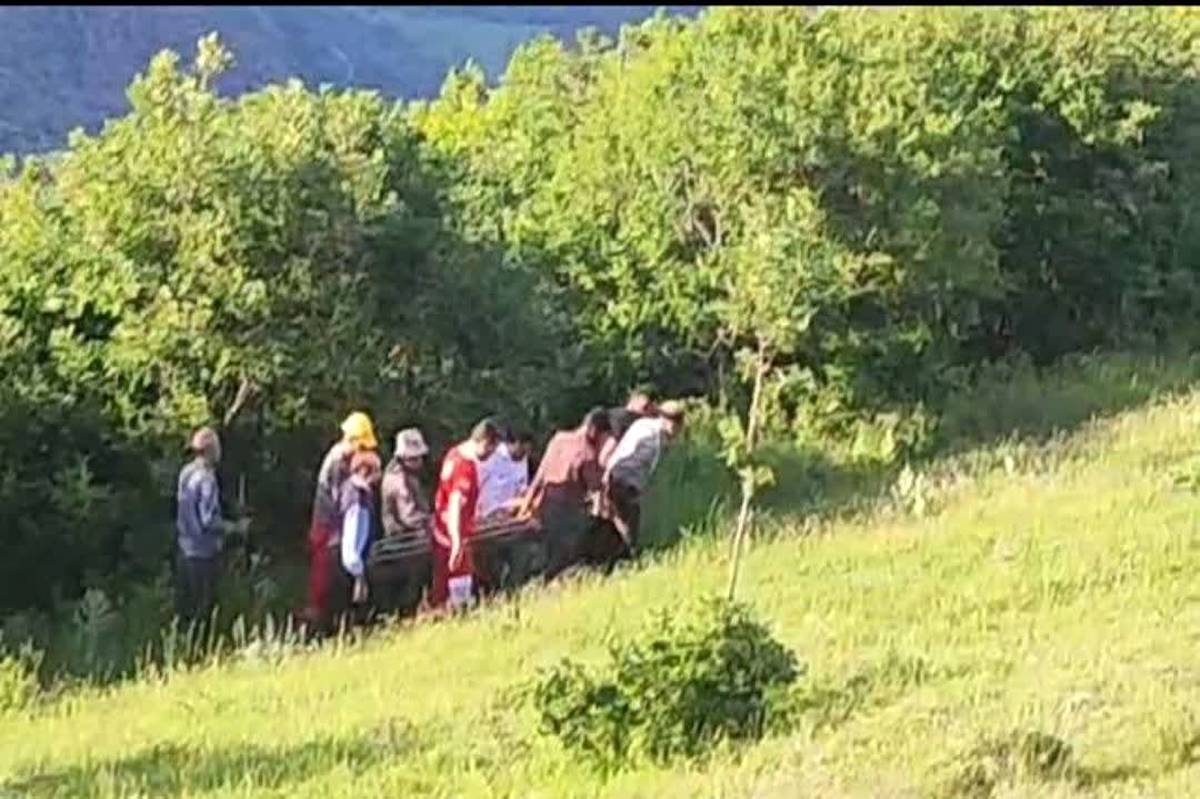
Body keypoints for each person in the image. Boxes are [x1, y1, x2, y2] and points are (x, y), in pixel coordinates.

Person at [303, 411, 378, 627]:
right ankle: (316, 621)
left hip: (332, 525)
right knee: (323, 580)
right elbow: (343, 499)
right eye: (362, 446)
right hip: (326, 526)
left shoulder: (342, 458)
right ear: (353, 441)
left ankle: (327, 619)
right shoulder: (337, 462)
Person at [517, 408, 612, 580]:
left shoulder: (559, 439)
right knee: (566, 558)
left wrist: (526, 506)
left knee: (548, 552)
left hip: (545, 506)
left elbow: (540, 475)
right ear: (594, 431)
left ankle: (542, 580)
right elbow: (596, 486)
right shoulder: (587, 454)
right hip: (569, 512)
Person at [175, 427, 250, 631]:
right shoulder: (207, 478)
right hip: (203, 554)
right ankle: (204, 646)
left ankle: (184, 645)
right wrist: (236, 528)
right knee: (204, 612)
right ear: (210, 450)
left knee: (186, 611)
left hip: (184, 550)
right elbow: (208, 521)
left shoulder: (186, 473)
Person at [600, 400, 686, 563]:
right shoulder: (648, 433)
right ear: (666, 420)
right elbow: (623, 455)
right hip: (621, 482)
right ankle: (626, 561)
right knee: (628, 526)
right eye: (675, 423)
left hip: (627, 484)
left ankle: (623, 559)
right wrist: (608, 476)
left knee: (627, 525)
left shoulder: (652, 431)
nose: (677, 430)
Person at [429, 418, 501, 611]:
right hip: (454, 536)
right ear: (484, 442)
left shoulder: (454, 453)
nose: (491, 455)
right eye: (491, 449)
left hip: (440, 531)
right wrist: (457, 542)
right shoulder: (465, 469)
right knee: (459, 595)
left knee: (441, 589)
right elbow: (456, 505)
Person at [371, 428, 434, 615]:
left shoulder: (402, 474)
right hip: (404, 544)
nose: (420, 462)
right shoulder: (399, 482)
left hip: (406, 542)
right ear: (404, 458)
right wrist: (433, 522)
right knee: (413, 587)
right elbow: (410, 516)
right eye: (415, 458)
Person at [326, 450, 383, 634]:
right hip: (350, 571)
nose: (379, 477)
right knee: (351, 620)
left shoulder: (347, 489)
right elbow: (351, 547)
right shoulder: (358, 499)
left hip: (342, 565)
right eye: (376, 471)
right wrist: (361, 576)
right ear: (364, 471)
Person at [477, 428, 534, 522]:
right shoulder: (493, 456)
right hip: (485, 515)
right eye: (523, 450)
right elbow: (477, 481)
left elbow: (521, 486)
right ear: (516, 443)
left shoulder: (523, 460)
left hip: (506, 517)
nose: (524, 455)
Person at [600, 391, 655, 468]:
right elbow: (605, 455)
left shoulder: (634, 417)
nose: (646, 410)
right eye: (645, 407)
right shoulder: (621, 417)